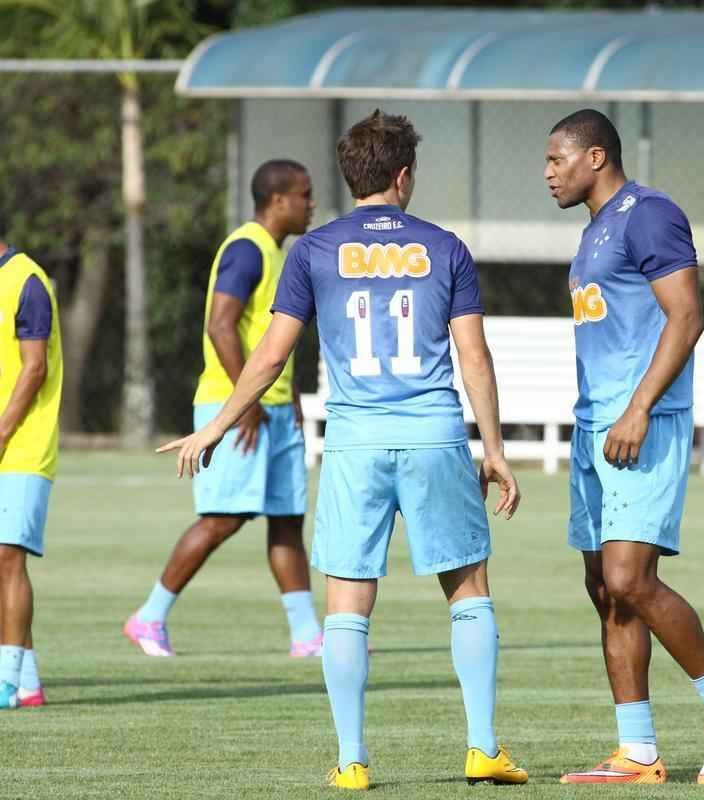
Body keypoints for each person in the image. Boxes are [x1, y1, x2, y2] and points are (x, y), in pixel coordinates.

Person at [159, 110, 529, 790]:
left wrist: (213, 428)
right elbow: (473, 356)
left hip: (355, 445)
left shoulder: (311, 251)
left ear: (347, 176)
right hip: (433, 436)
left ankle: (353, 760)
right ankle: (482, 749)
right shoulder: (444, 247)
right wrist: (496, 448)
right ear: (404, 174)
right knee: (468, 592)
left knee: (347, 605)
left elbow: (271, 356)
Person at [545, 109, 704, 786]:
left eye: (558, 159)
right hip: (595, 428)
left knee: (629, 579)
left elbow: (687, 316)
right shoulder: (592, 235)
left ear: (597, 157)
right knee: (606, 592)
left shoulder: (650, 214)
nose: (549, 172)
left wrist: (638, 408)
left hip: (642, 421)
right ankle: (637, 752)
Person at [123, 160, 322, 658]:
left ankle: (306, 636)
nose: (311, 204)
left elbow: (270, 336)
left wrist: (289, 396)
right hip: (234, 405)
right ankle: (149, 617)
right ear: (278, 201)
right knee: (222, 519)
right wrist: (243, 404)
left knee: (286, 519)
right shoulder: (246, 249)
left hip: (273, 408)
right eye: (305, 194)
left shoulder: (279, 253)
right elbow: (220, 325)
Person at [0, 240, 62, 710]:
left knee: (8, 558)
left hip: (22, 447)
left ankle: (5, 681)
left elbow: (34, 367)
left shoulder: (27, 281)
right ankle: (28, 683)